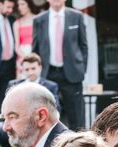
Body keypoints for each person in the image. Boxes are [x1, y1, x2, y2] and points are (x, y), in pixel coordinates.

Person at [33, 0, 88, 131]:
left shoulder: (76, 16)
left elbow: (84, 46)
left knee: (76, 117)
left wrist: (81, 69)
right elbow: (35, 48)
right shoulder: (39, 20)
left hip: (72, 73)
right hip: (48, 73)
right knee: (47, 116)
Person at [13, 0, 36, 69]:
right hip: (22, 56)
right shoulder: (16, 23)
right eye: (18, 5)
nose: (20, 7)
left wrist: (33, 56)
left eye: (22, 4)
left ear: (29, 4)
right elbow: (17, 45)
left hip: (35, 55)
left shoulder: (38, 19)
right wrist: (25, 57)